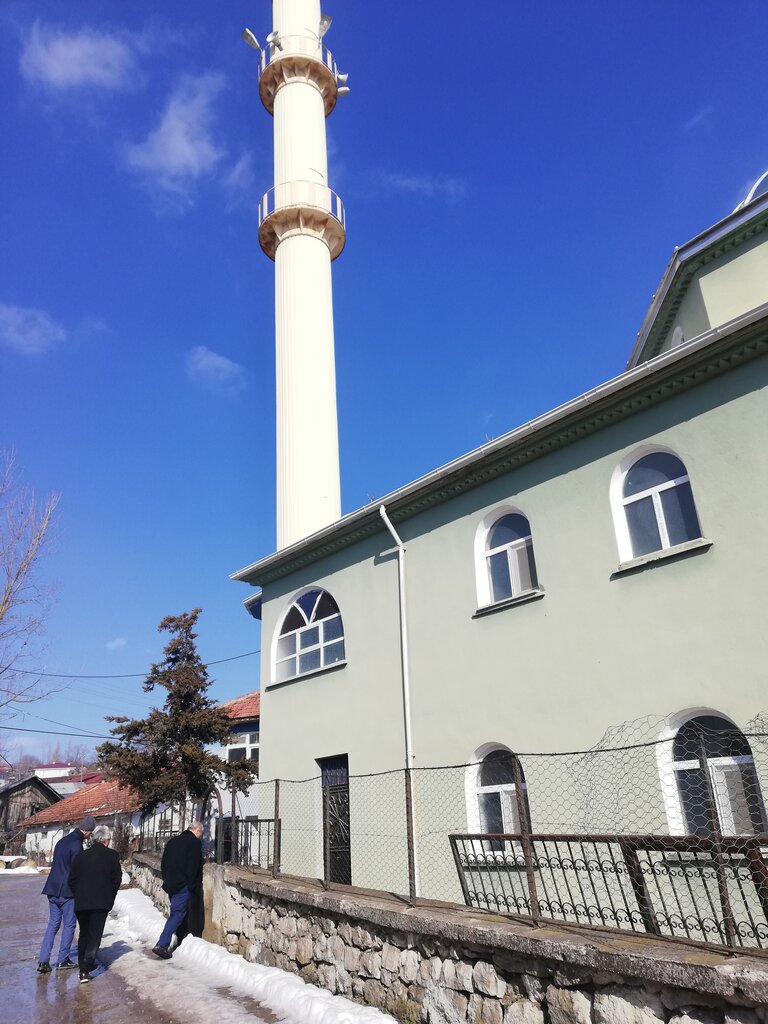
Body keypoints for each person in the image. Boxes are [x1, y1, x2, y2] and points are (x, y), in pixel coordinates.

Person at [37, 815, 95, 973]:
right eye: (90, 833)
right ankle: (63, 960)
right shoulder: (77, 845)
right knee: (69, 925)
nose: (90, 836)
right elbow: (77, 871)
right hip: (67, 892)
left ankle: (43, 961)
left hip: (52, 889)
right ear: (87, 832)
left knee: (53, 925)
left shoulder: (62, 841)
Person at [68, 824, 122, 983]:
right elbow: (116, 880)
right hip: (100, 902)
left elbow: (72, 880)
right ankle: (86, 968)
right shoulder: (112, 856)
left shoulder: (81, 856)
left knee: (84, 933)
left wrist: (78, 894)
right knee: (95, 935)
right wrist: (110, 897)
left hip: (82, 902)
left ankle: (83, 966)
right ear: (106, 841)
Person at [152, 821, 203, 959]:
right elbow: (193, 867)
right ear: (197, 830)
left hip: (171, 884)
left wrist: (167, 880)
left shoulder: (173, 841)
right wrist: (192, 886)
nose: (200, 837)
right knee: (178, 914)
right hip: (183, 885)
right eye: (201, 834)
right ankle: (162, 944)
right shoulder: (194, 843)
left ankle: (180, 938)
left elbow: (164, 863)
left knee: (180, 913)